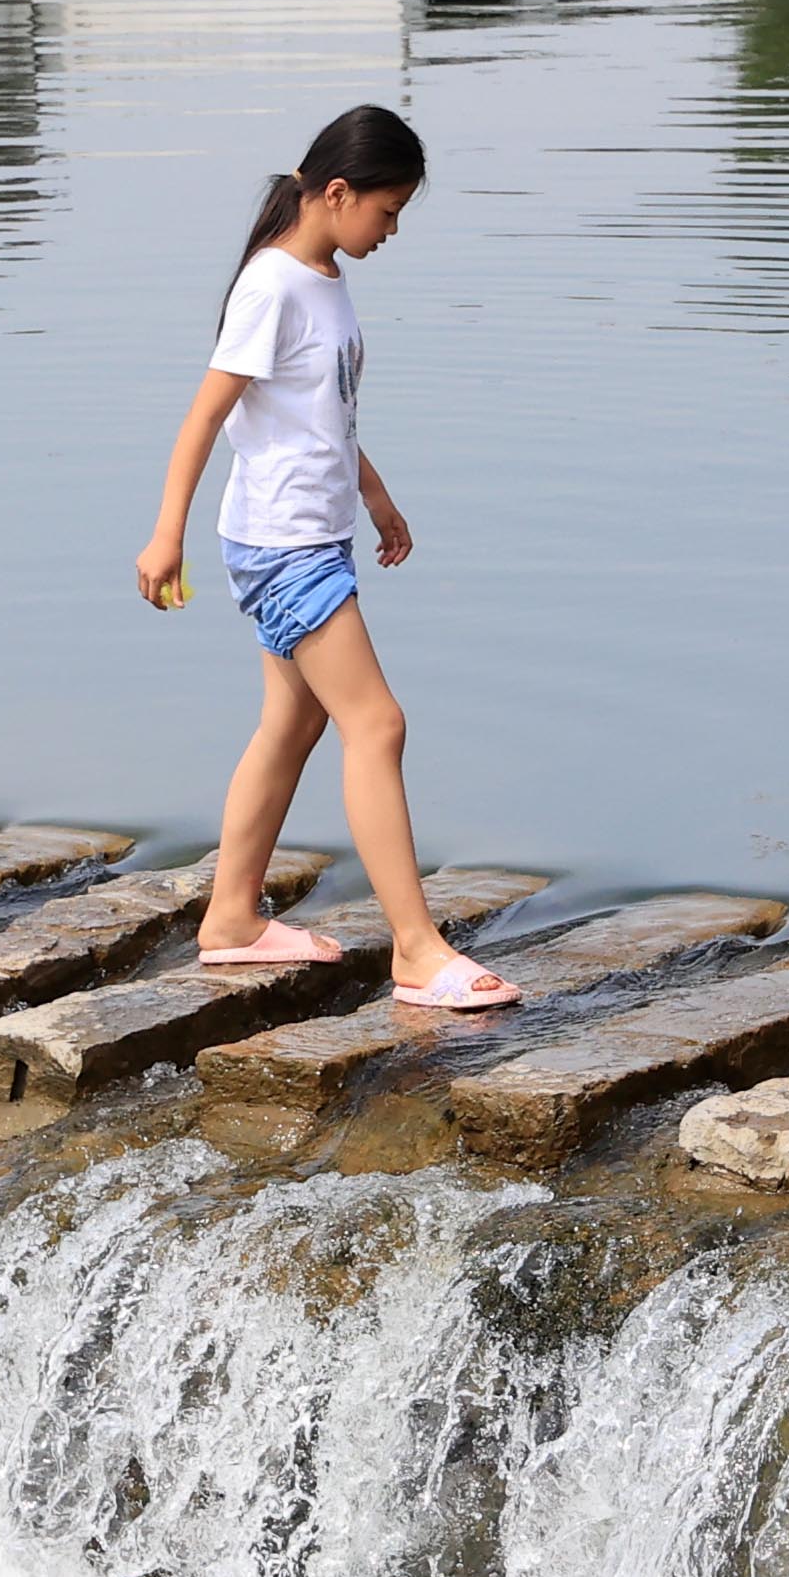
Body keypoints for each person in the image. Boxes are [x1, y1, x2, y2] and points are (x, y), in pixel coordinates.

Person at [131, 105, 518, 1012]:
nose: (391, 232)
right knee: (377, 725)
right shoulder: (272, 286)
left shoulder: (322, 277)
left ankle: (230, 919)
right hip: (282, 544)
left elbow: (322, 416)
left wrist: (373, 493)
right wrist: (164, 532)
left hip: (312, 532)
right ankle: (417, 951)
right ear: (336, 192)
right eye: (387, 212)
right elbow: (206, 415)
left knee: (293, 725)